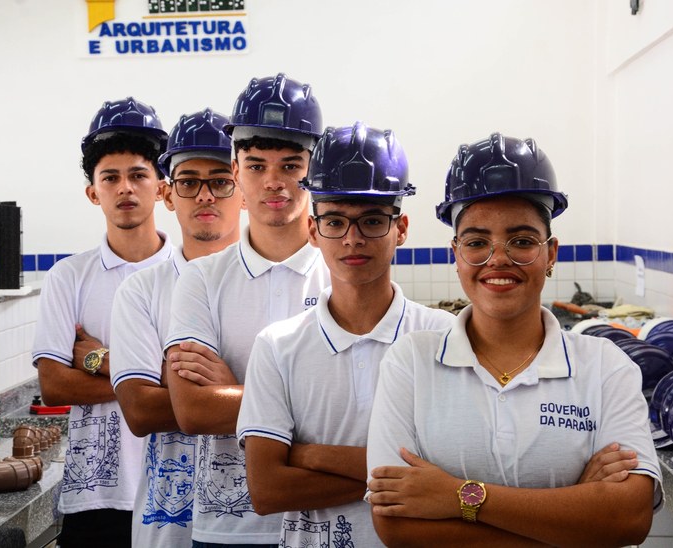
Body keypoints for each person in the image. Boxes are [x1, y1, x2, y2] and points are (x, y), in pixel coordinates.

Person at [366, 133, 663, 547]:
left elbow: (629, 517)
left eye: (522, 241)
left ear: (551, 254)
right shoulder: (411, 363)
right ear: (456, 255)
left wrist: (459, 497)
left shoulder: (605, 367)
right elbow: (396, 527)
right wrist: (574, 516)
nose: (498, 258)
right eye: (476, 243)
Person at [236, 122, 454, 546]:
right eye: (335, 221)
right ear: (315, 231)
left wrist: (310, 456)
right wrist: (410, 481)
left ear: (401, 229)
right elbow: (267, 491)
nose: (353, 240)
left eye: (372, 220)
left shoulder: (443, 338)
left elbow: (465, 471)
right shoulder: (278, 346)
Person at [164, 73, 329, 547]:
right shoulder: (202, 279)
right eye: (256, 166)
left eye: (291, 165)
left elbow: (369, 414)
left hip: (323, 521)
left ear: (313, 170)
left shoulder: (344, 274)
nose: (274, 182)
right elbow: (192, 410)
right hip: (225, 529)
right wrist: (314, 400)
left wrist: (233, 389)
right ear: (236, 173)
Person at [32, 97, 172, 548]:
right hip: (94, 495)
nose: (125, 188)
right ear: (94, 193)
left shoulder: (193, 275)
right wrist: (152, 386)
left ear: (161, 187)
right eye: (110, 178)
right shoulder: (68, 277)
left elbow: (201, 390)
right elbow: (54, 384)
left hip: (175, 490)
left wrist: (96, 358)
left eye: (138, 175)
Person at [109, 108, 243, 548]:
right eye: (188, 182)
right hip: (166, 529)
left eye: (220, 180)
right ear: (168, 194)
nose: (205, 195)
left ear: (242, 187)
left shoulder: (277, 286)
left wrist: (206, 390)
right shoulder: (140, 291)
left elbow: (316, 409)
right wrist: (253, 392)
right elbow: (140, 412)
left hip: (258, 520)